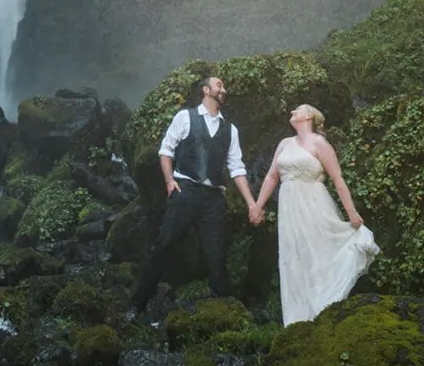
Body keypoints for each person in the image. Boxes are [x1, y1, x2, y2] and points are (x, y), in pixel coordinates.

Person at [129, 75, 256, 316]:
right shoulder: (185, 117)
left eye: (223, 85)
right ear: (206, 90)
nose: (224, 89)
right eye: (219, 85)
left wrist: (251, 203)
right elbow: (166, 150)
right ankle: (137, 304)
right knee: (164, 245)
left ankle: (223, 311)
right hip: (185, 191)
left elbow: (237, 168)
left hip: (213, 198)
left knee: (216, 253)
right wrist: (169, 180)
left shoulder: (231, 130)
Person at [250, 102, 378, 326]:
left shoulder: (320, 143)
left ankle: (321, 308)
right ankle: (297, 319)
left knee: (316, 252)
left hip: (314, 203)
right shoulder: (284, 144)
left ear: (309, 115)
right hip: (289, 207)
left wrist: (351, 212)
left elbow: (337, 179)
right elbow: (272, 176)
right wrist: (258, 206)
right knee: (293, 257)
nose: (292, 112)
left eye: (297, 109)